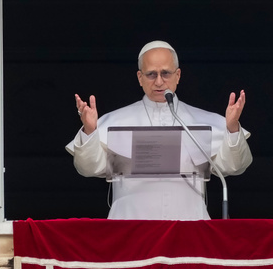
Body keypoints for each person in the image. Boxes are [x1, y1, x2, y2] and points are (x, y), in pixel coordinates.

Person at [66, 40, 252, 220]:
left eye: (166, 73)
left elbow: (234, 167)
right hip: (130, 228)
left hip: (189, 228)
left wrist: (232, 128)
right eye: (151, 74)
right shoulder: (115, 121)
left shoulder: (205, 121)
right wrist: (90, 131)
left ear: (178, 75)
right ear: (140, 78)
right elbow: (88, 169)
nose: (159, 82)